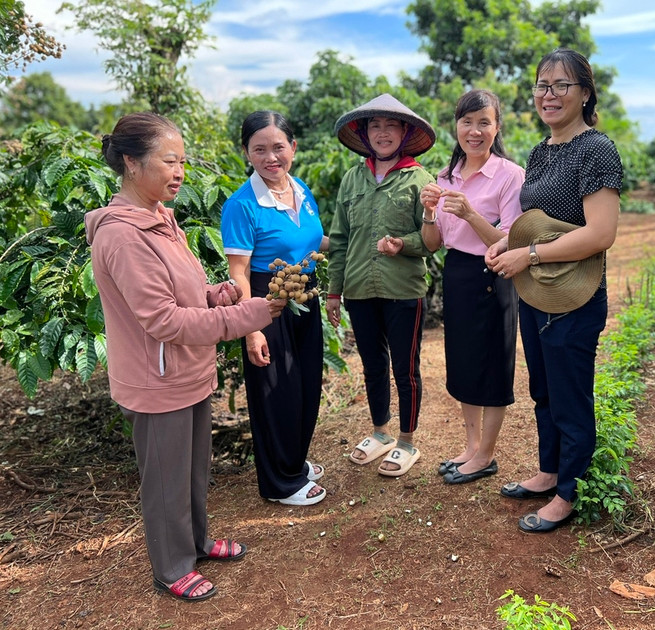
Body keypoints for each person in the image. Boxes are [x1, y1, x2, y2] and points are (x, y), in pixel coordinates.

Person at [85, 112, 286, 601]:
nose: (179, 172)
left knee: (192, 470)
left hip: (185, 371)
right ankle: (171, 566)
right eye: (168, 161)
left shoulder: (161, 218)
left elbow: (182, 295)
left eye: (182, 162)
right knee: (165, 479)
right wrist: (250, 315)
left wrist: (215, 294)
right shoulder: (122, 234)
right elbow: (163, 321)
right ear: (132, 163)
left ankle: (194, 542)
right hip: (156, 379)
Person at [485, 48, 623, 532]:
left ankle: (569, 492)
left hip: (576, 296)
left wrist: (531, 256)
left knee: (570, 395)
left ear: (585, 93)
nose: (549, 95)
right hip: (538, 292)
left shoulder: (597, 150)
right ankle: (549, 471)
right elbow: (535, 223)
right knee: (543, 389)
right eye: (543, 85)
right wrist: (506, 243)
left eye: (561, 85)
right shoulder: (540, 152)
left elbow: (600, 233)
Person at [221, 111, 329, 506]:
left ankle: (293, 463)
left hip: (305, 292)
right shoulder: (242, 205)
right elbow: (239, 272)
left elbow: (314, 243)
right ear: (246, 153)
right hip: (266, 299)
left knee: (304, 385)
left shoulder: (300, 189)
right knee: (275, 391)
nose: (271, 157)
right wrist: (251, 327)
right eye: (259, 149)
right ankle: (279, 483)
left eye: (278, 147)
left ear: (293, 148)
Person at [326, 94, 436, 477]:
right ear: (365, 132)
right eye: (375, 125)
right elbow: (339, 240)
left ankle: (406, 441)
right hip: (358, 289)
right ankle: (380, 433)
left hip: (404, 289)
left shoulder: (421, 180)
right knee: (373, 366)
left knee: (405, 368)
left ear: (405, 132)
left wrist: (402, 244)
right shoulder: (352, 179)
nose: (383, 132)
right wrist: (334, 291)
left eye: (391, 126)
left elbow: (433, 240)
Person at [419, 89, 524, 484]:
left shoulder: (511, 175)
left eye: (484, 122)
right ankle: (471, 447)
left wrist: (471, 212)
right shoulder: (445, 177)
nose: (474, 130)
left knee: (493, 365)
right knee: (463, 362)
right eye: (467, 121)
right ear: (456, 126)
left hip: (494, 275)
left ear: (497, 127)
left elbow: (512, 240)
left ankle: (486, 455)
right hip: (458, 275)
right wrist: (429, 212)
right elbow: (433, 244)